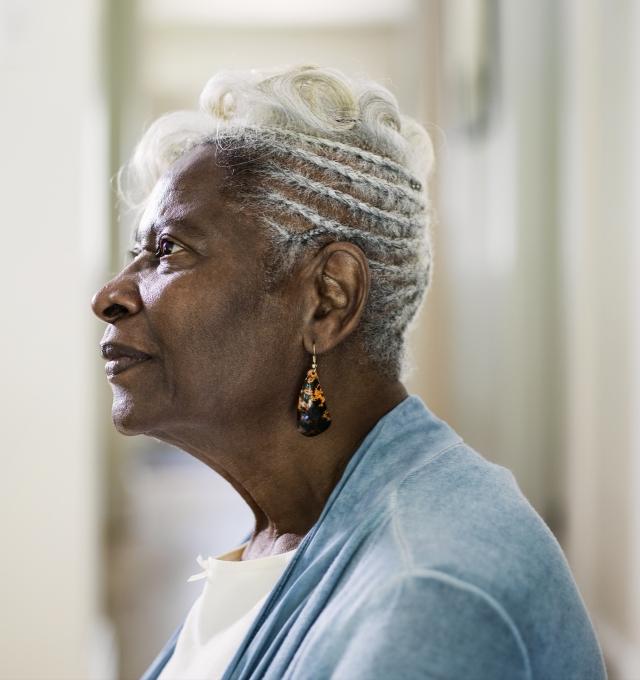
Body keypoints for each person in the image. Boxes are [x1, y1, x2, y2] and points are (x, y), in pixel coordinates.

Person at [91, 65, 607, 680]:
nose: (111, 295)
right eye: (137, 254)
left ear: (327, 298)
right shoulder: (292, 531)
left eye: (170, 250)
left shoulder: (428, 600)